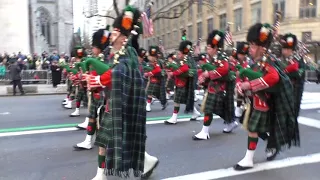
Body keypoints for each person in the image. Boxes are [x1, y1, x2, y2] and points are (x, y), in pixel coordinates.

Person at [87, 6, 158, 179]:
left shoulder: (130, 53)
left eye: (115, 32)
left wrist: (99, 80)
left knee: (120, 140)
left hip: (126, 104)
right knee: (107, 140)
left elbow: (120, 73)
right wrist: (93, 79)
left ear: (123, 37)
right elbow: (107, 70)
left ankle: (145, 162)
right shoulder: (112, 54)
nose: (111, 35)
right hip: (113, 102)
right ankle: (102, 174)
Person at [234, 23, 299, 170]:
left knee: (252, 128)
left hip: (265, 102)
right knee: (257, 128)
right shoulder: (258, 61)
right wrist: (242, 86)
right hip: (256, 100)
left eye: (252, 46)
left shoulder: (267, 61)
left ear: (262, 47)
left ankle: (249, 159)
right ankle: (272, 143)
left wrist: (249, 85)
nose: (250, 49)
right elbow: (252, 76)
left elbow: (273, 78)